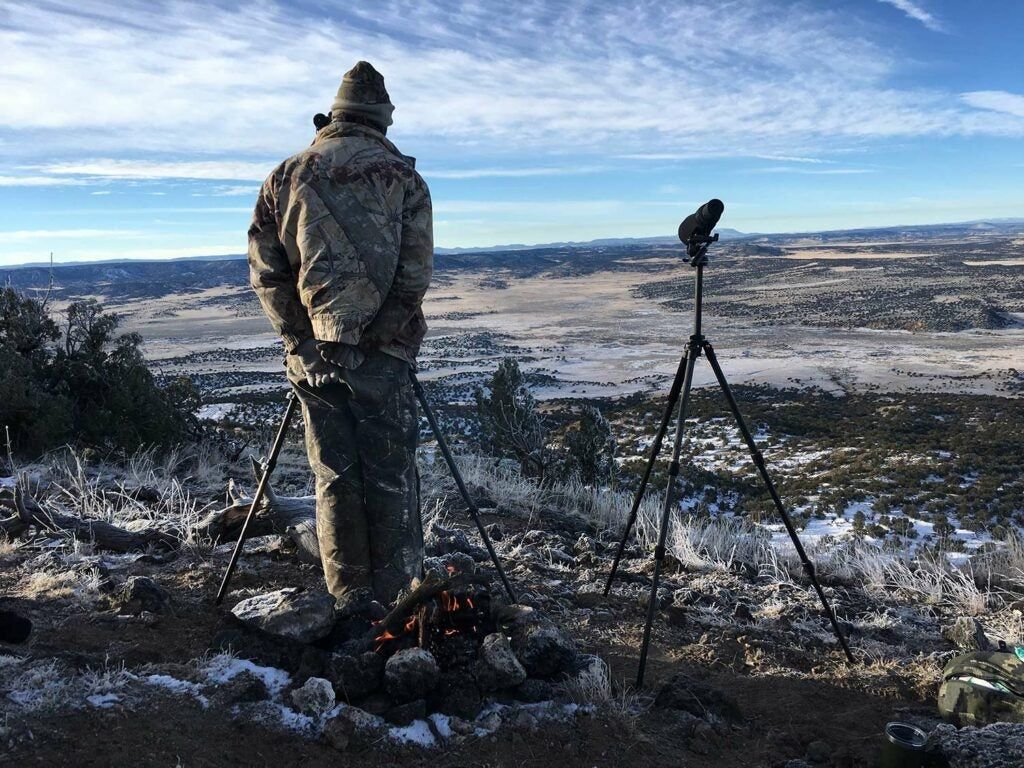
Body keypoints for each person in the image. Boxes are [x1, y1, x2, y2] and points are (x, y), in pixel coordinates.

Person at [247, 61, 432, 607]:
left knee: (333, 477)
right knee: (391, 476)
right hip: (383, 357)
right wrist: (380, 335)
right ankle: (397, 603)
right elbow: (414, 274)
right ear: (381, 121)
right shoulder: (403, 177)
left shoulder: (285, 175)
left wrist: (300, 336)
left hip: (313, 358)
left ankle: (349, 600)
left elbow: (267, 271)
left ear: (334, 115)